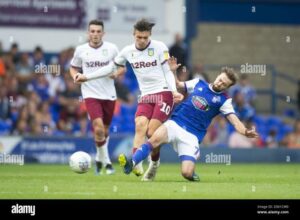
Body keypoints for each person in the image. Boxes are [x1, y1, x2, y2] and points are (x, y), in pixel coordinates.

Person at [118, 65, 259, 181]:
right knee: (154, 138)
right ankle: (133, 163)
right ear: (218, 76)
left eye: (224, 84)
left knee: (186, 173)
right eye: (221, 79)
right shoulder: (199, 83)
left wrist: (246, 131)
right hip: (175, 123)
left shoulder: (224, 101)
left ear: (227, 87)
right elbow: (179, 85)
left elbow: (235, 122)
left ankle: (192, 175)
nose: (220, 83)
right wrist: (173, 71)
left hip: (192, 136)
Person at [113, 18, 183, 180]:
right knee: (140, 125)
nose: (142, 40)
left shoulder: (160, 47)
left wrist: (173, 91)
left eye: (145, 37)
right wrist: (109, 73)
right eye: (139, 37)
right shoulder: (127, 51)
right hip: (146, 96)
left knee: (152, 132)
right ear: (134, 35)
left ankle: (154, 165)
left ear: (150, 35)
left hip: (164, 93)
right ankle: (137, 164)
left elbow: (167, 71)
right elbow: (116, 65)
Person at [70, 19, 124, 175]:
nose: (95, 34)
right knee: (99, 128)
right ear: (88, 33)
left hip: (109, 94)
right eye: (92, 31)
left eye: (98, 31)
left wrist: (116, 73)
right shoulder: (81, 50)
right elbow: (73, 68)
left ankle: (100, 159)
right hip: (90, 94)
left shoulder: (112, 49)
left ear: (103, 33)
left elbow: (122, 67)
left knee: (105, 131)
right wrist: (75, 76)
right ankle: (107, 164)